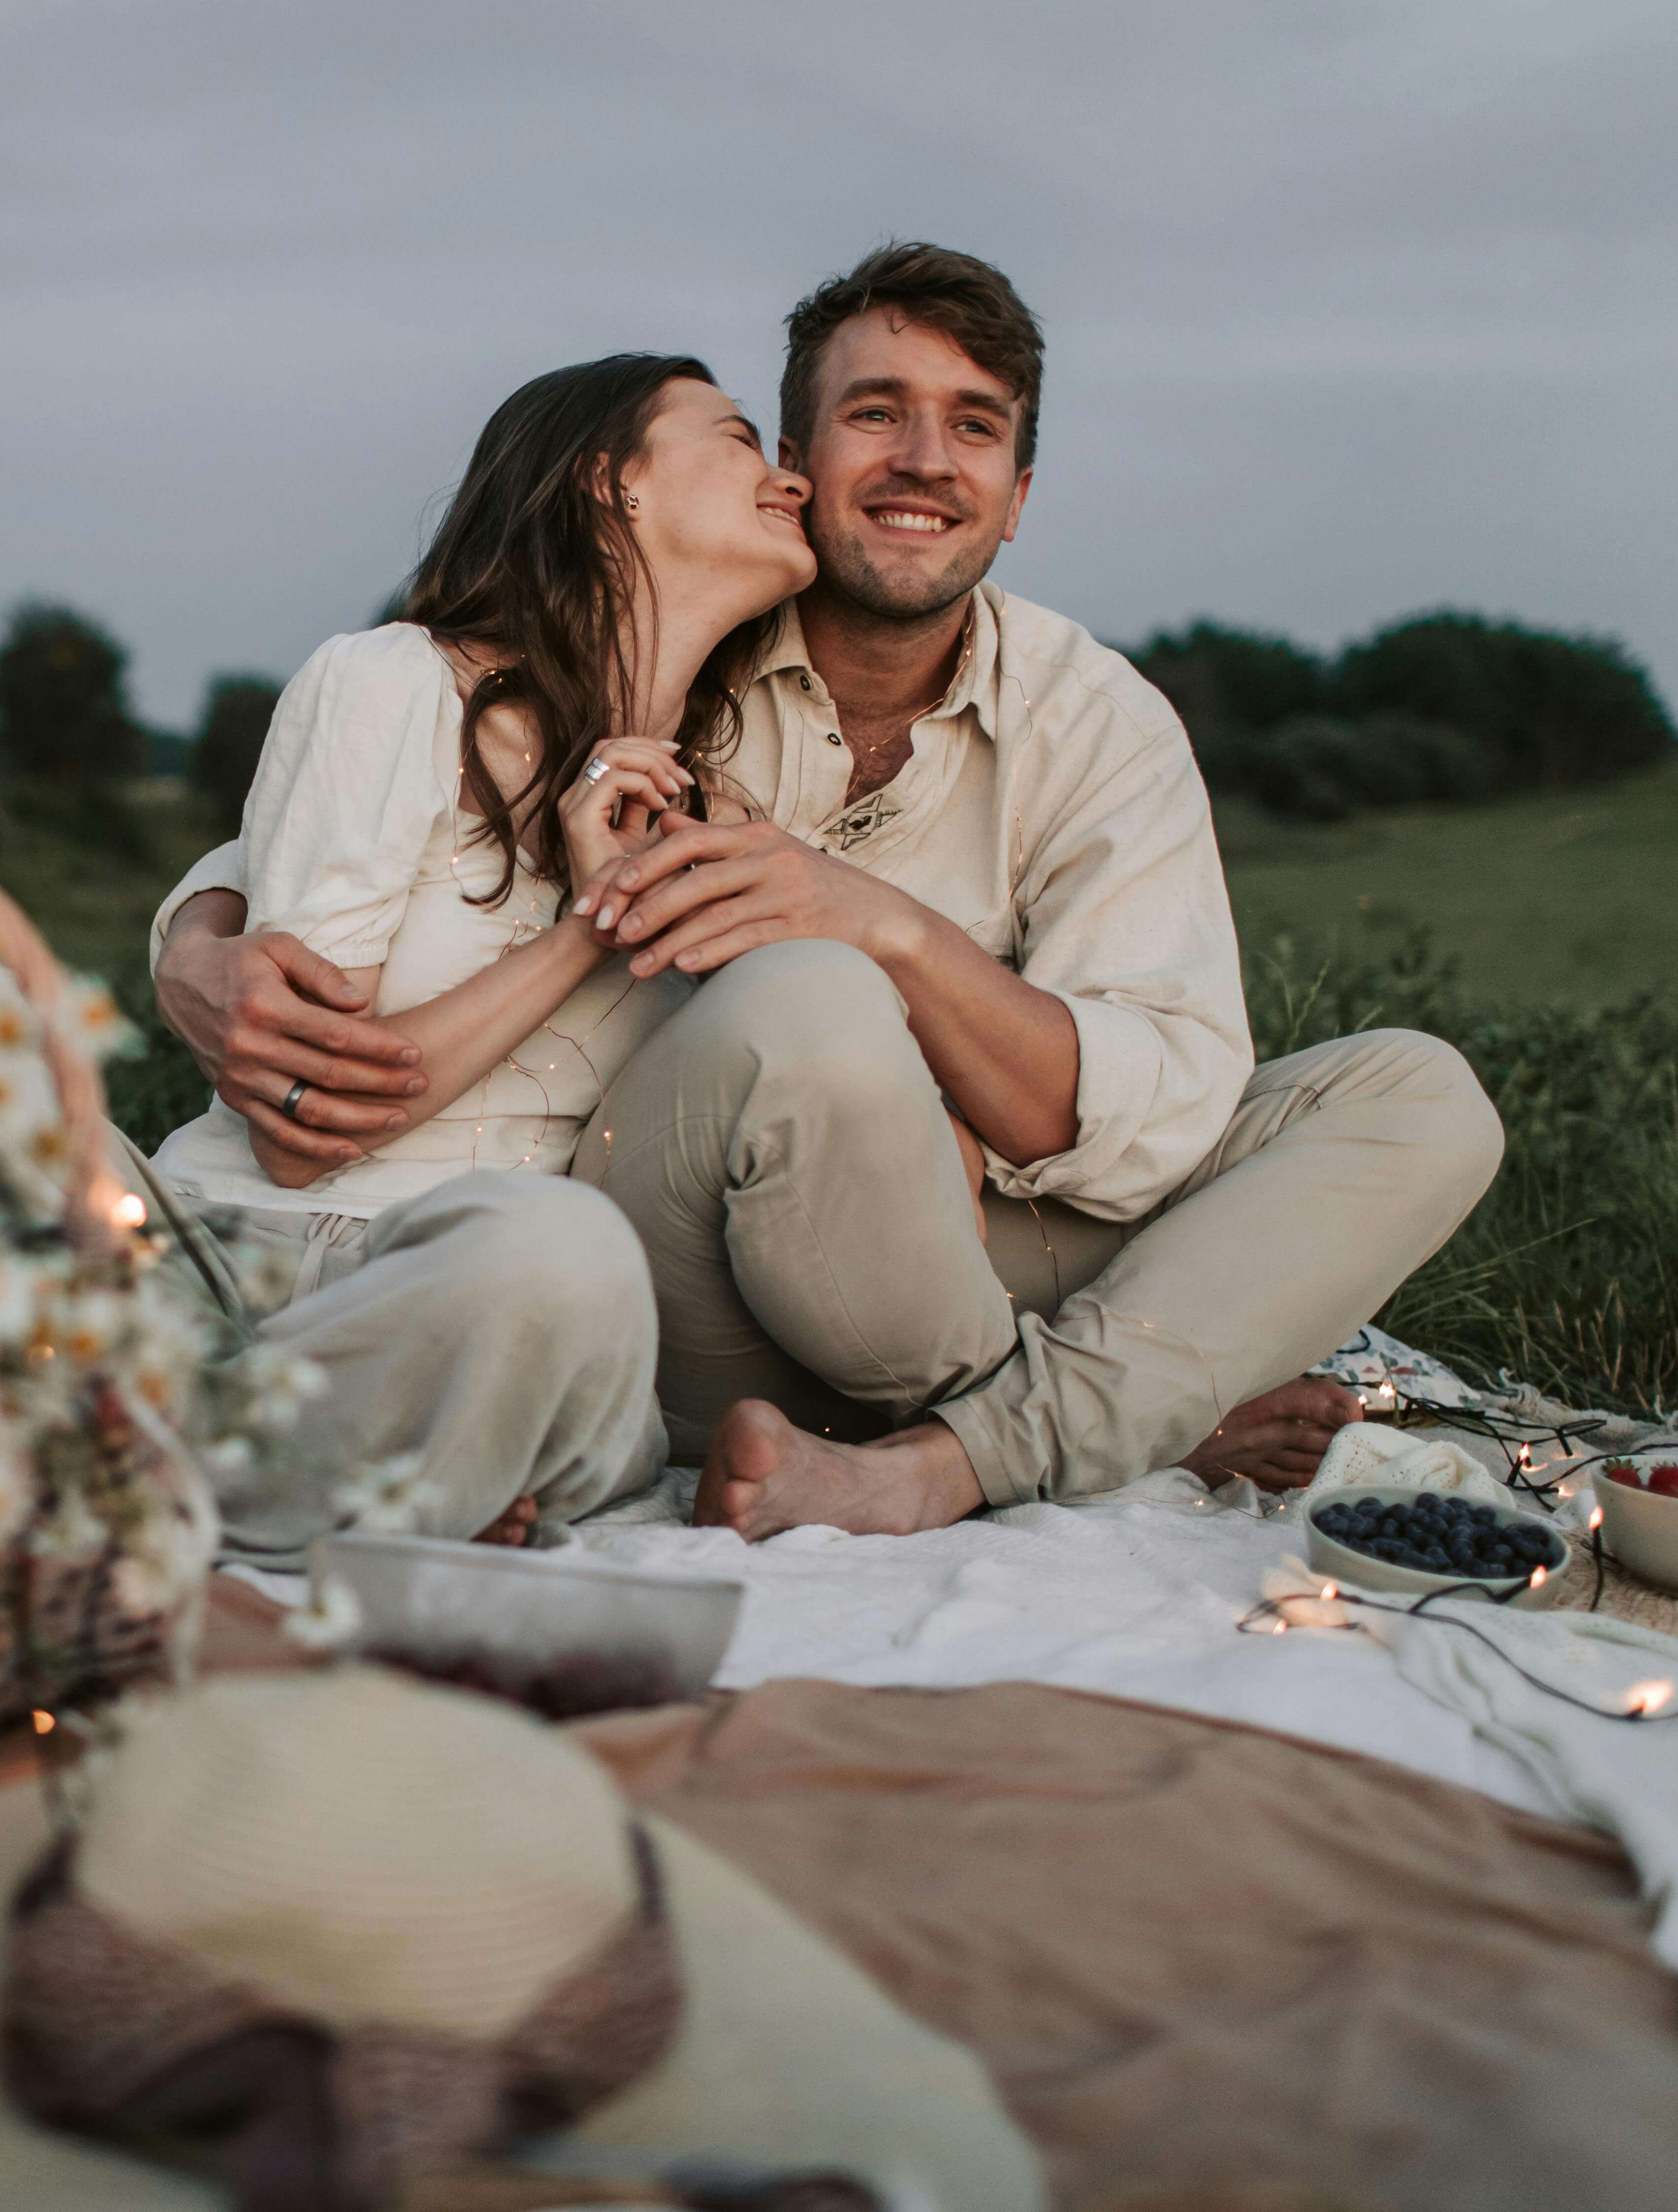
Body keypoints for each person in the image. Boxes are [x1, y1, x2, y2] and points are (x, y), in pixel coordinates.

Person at [154, 241, 1507, 1540]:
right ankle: (1074, 1433)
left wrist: (888, 931)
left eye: (974, 428)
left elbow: (1149, 1111)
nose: (926, 461)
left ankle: (977, 1443)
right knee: (809, 1000)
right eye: (876, 414)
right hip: (698, 1243)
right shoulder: (677, 651)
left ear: (1020, 494)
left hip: (959, 1225)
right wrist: (203, 930)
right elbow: (425, 790)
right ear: (799, 472)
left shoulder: (1095, 723)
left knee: (1416, 1095)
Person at [0, 353, 817, 1560]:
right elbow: (306, 1115)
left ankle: (115, 1454)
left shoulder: (728, 812)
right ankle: (296, 1469)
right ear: (606, 484)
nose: (784, 478)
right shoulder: (395, 687)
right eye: (739, 436)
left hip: (452, 1304)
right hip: (189, 1265)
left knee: (566, 1257)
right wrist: (588, 925)